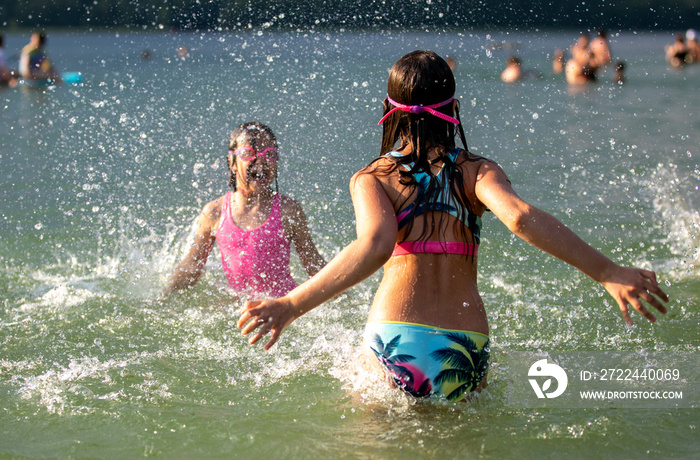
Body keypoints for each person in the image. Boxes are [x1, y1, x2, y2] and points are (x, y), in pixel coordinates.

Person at [238, 51, 669, 402]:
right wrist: (608, 272)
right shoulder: (477, 172)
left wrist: (292, 304)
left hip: (396, 335)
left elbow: (374, 245)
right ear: (454, 110)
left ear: (388, 114)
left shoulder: (374, 178)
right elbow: (519, 217)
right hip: (465, 343)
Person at [163, 122, 326, 299]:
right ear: (231, 162)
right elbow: (192, 266)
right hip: (239, 306)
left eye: (269, 155)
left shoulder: (287, 210)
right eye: (249, 154)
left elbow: (313, 264)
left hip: (281, 305)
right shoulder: (215, 212)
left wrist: (343, 297)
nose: (261, 161)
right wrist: (164, 297)